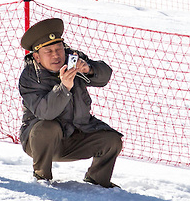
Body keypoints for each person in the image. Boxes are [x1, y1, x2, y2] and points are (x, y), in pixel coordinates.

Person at [18, 18, 122, 188]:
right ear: (36, 56)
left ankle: (97, 181)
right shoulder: (30, 77)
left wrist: (89, 69)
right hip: (42, 142)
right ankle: (42, 177)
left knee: (111, 140)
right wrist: (64, 87)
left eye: (59, 49)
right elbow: (45, 113)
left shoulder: (72, 59)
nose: (56, 55)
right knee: (46, 127)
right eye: (49, 51)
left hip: (77, 133)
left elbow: (105, 76)